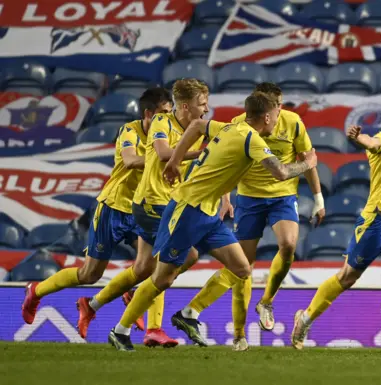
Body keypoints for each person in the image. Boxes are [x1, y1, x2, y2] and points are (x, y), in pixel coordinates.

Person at [107, 92, 318, 351]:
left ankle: (188, 314)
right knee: (162, 278)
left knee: (242, 268)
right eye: (276, 115)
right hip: (187, 210)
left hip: (208, 212)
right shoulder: (250, 139)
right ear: (266, 116)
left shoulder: (229, 126)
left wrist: (174, 160)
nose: (278, 120)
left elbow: (196, 125)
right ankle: (121, 330)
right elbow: (282, 172)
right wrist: (308, 163)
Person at [20, 87, 172, 332]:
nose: (168, 118)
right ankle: (36, 291)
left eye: (170, 113)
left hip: (143, 209)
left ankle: (152, 325)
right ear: (148, 114)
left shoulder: (168, 135)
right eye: (164, 113)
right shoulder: (130, 131)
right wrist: (165, 157)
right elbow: (131, 160)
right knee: (89, 274)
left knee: (155, 265)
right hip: (114, 208)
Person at [289, 102, 381, 350]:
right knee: (347, 278)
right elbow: (371, 142)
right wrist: (360, 139)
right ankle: (304, 319)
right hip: (376, 223)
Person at [77, 79, 210, 347]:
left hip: (166, 204)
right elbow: (150, 157)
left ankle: (96, 304)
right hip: (140, 204)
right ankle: (142, 325)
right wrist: (192, 154)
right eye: (202, 104)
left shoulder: (192, 129)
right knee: (180, 258)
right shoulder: (149, 128)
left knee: (147, 268)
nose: (206, 109)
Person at [213, 82, 326, 351]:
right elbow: (228, 161)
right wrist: (226, 197)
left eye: (280, 105)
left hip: (283, 196)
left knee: (288, 245)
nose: (279, 111)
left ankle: (266, 301)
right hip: (249, 198)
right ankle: (239, 335)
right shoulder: (240, 124)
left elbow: (308, 160)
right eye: (275, 107)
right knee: (243, 266)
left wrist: (319, 199)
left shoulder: (293, 123)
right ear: (265, 109)